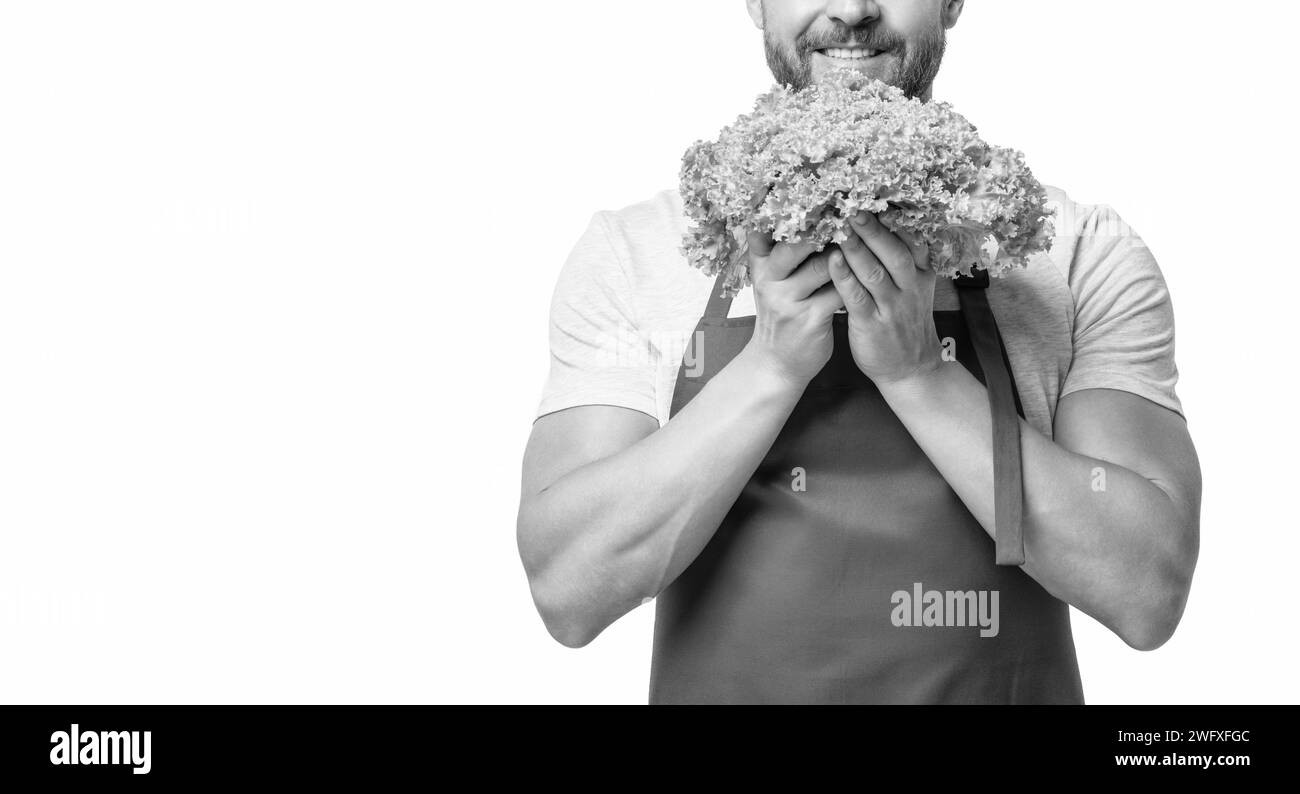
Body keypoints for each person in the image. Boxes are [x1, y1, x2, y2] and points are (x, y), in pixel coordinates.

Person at [515, 0, 1201, 704]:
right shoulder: (637, 253)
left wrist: (920, 376)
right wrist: (769, 368)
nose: (851, 9)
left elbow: (1146, 592)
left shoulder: (1078, 253)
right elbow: (568, 592)